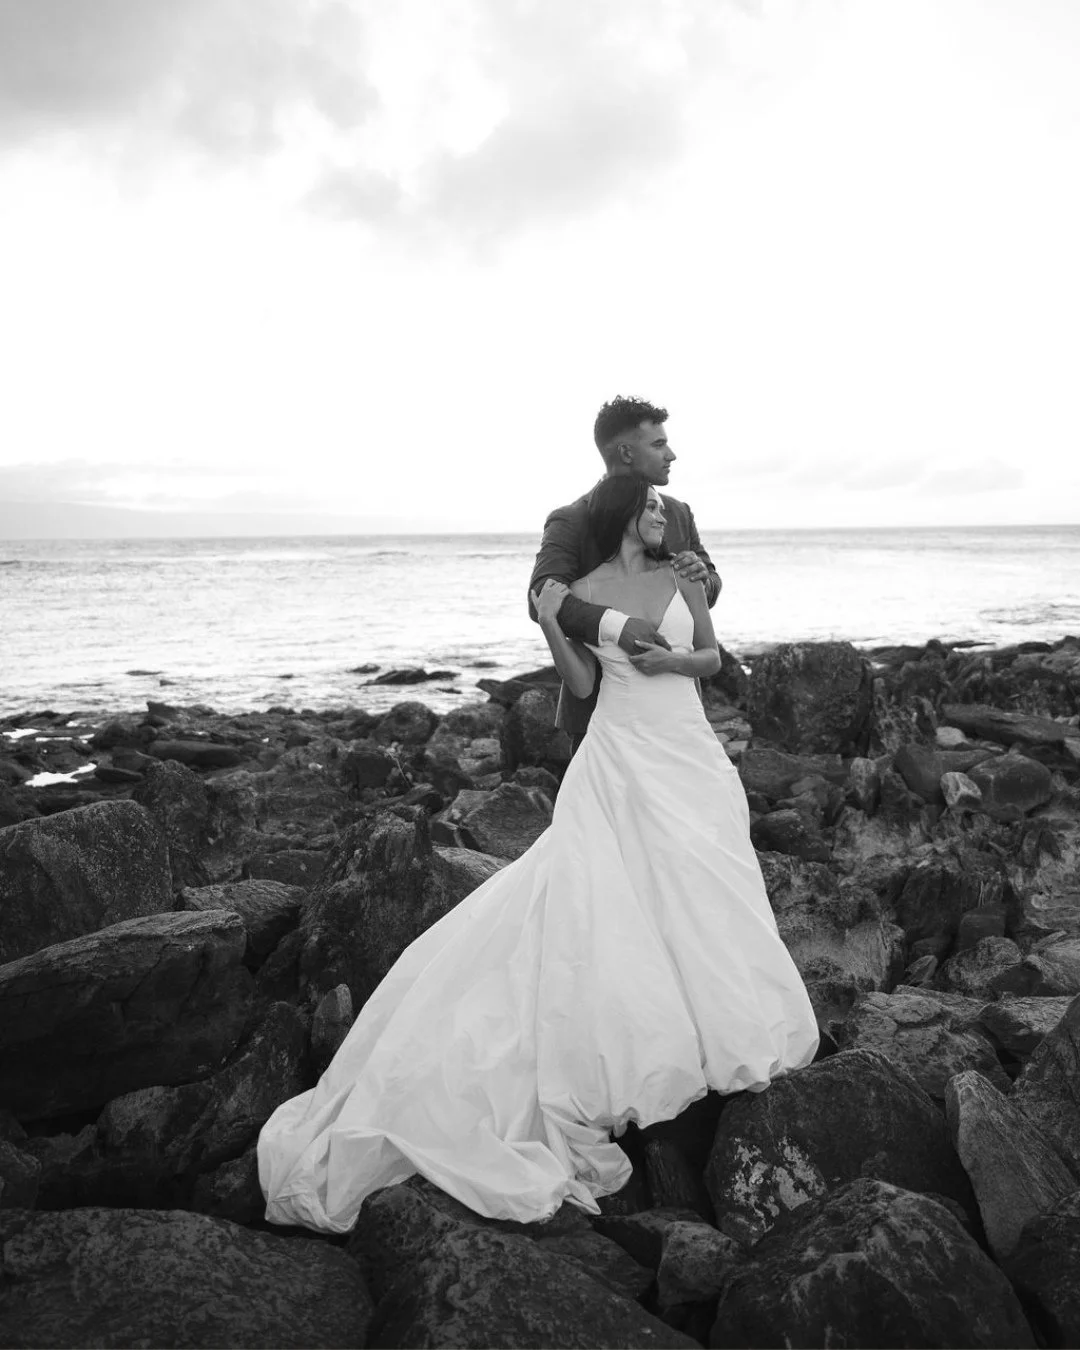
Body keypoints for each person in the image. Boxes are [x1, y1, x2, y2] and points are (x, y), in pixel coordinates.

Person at [257, 475, 819, 1233]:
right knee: (614, 896)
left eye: (663, 507)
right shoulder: (582, 588)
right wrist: (554, 628)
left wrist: (670, 664)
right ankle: (641, 1045)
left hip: (688, 749)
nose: (665, 514)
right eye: (651, 507)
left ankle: (724, 1027)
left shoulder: (680, 572)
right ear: (625, 514)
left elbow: (713, 659)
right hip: (620, 753)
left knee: (705, 881)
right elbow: (582, 680)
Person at [529, 395, 721, 752]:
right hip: (599, 720)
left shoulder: (677, 513)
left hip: (677, 710)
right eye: (658, 444)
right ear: (627, 453)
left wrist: (701, 580)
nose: (671, 455)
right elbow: (541, 596)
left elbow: (709, 585)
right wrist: (617, 626)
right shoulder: (571, 519)